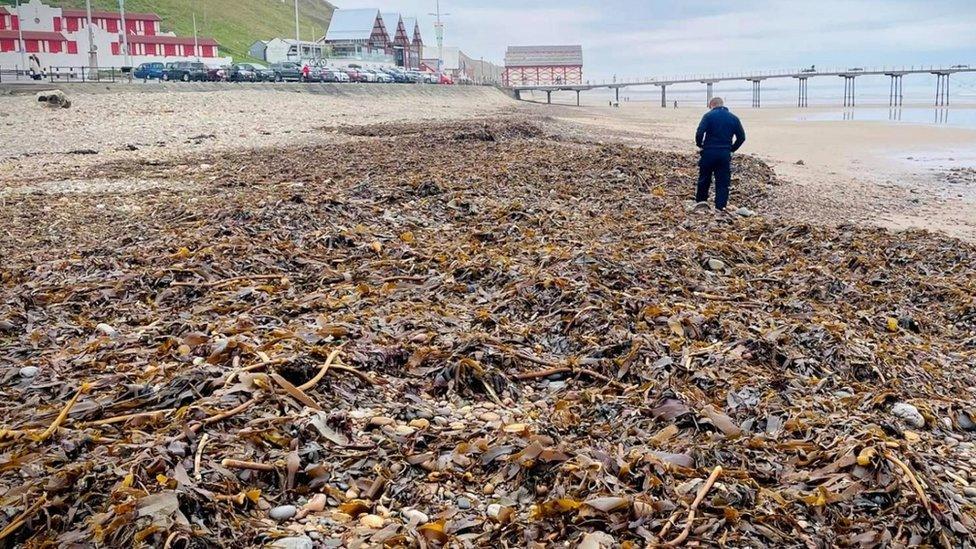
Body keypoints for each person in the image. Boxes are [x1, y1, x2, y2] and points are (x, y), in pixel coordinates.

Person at [695, 97, 745, 211]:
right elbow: (742, 137)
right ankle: (720, 206)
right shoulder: (734, 118)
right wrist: (732, 149)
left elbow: (699, 132)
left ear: (712, 105)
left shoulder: (708, 116)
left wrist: (700, 144)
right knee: (722, 181)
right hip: (724, 153)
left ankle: (701, 202)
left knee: (704, 178)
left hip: (709, 152)